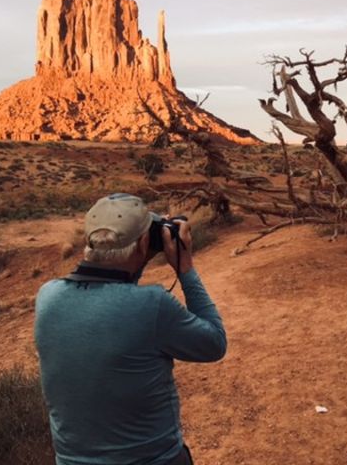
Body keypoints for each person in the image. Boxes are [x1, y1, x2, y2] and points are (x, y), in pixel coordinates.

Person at [35, 193, 227, 465]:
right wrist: (185, 270)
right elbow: (214, 343)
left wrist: (137, 255)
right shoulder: (152, 305)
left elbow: (111, 291)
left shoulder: (47, 296)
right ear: (145, 242)